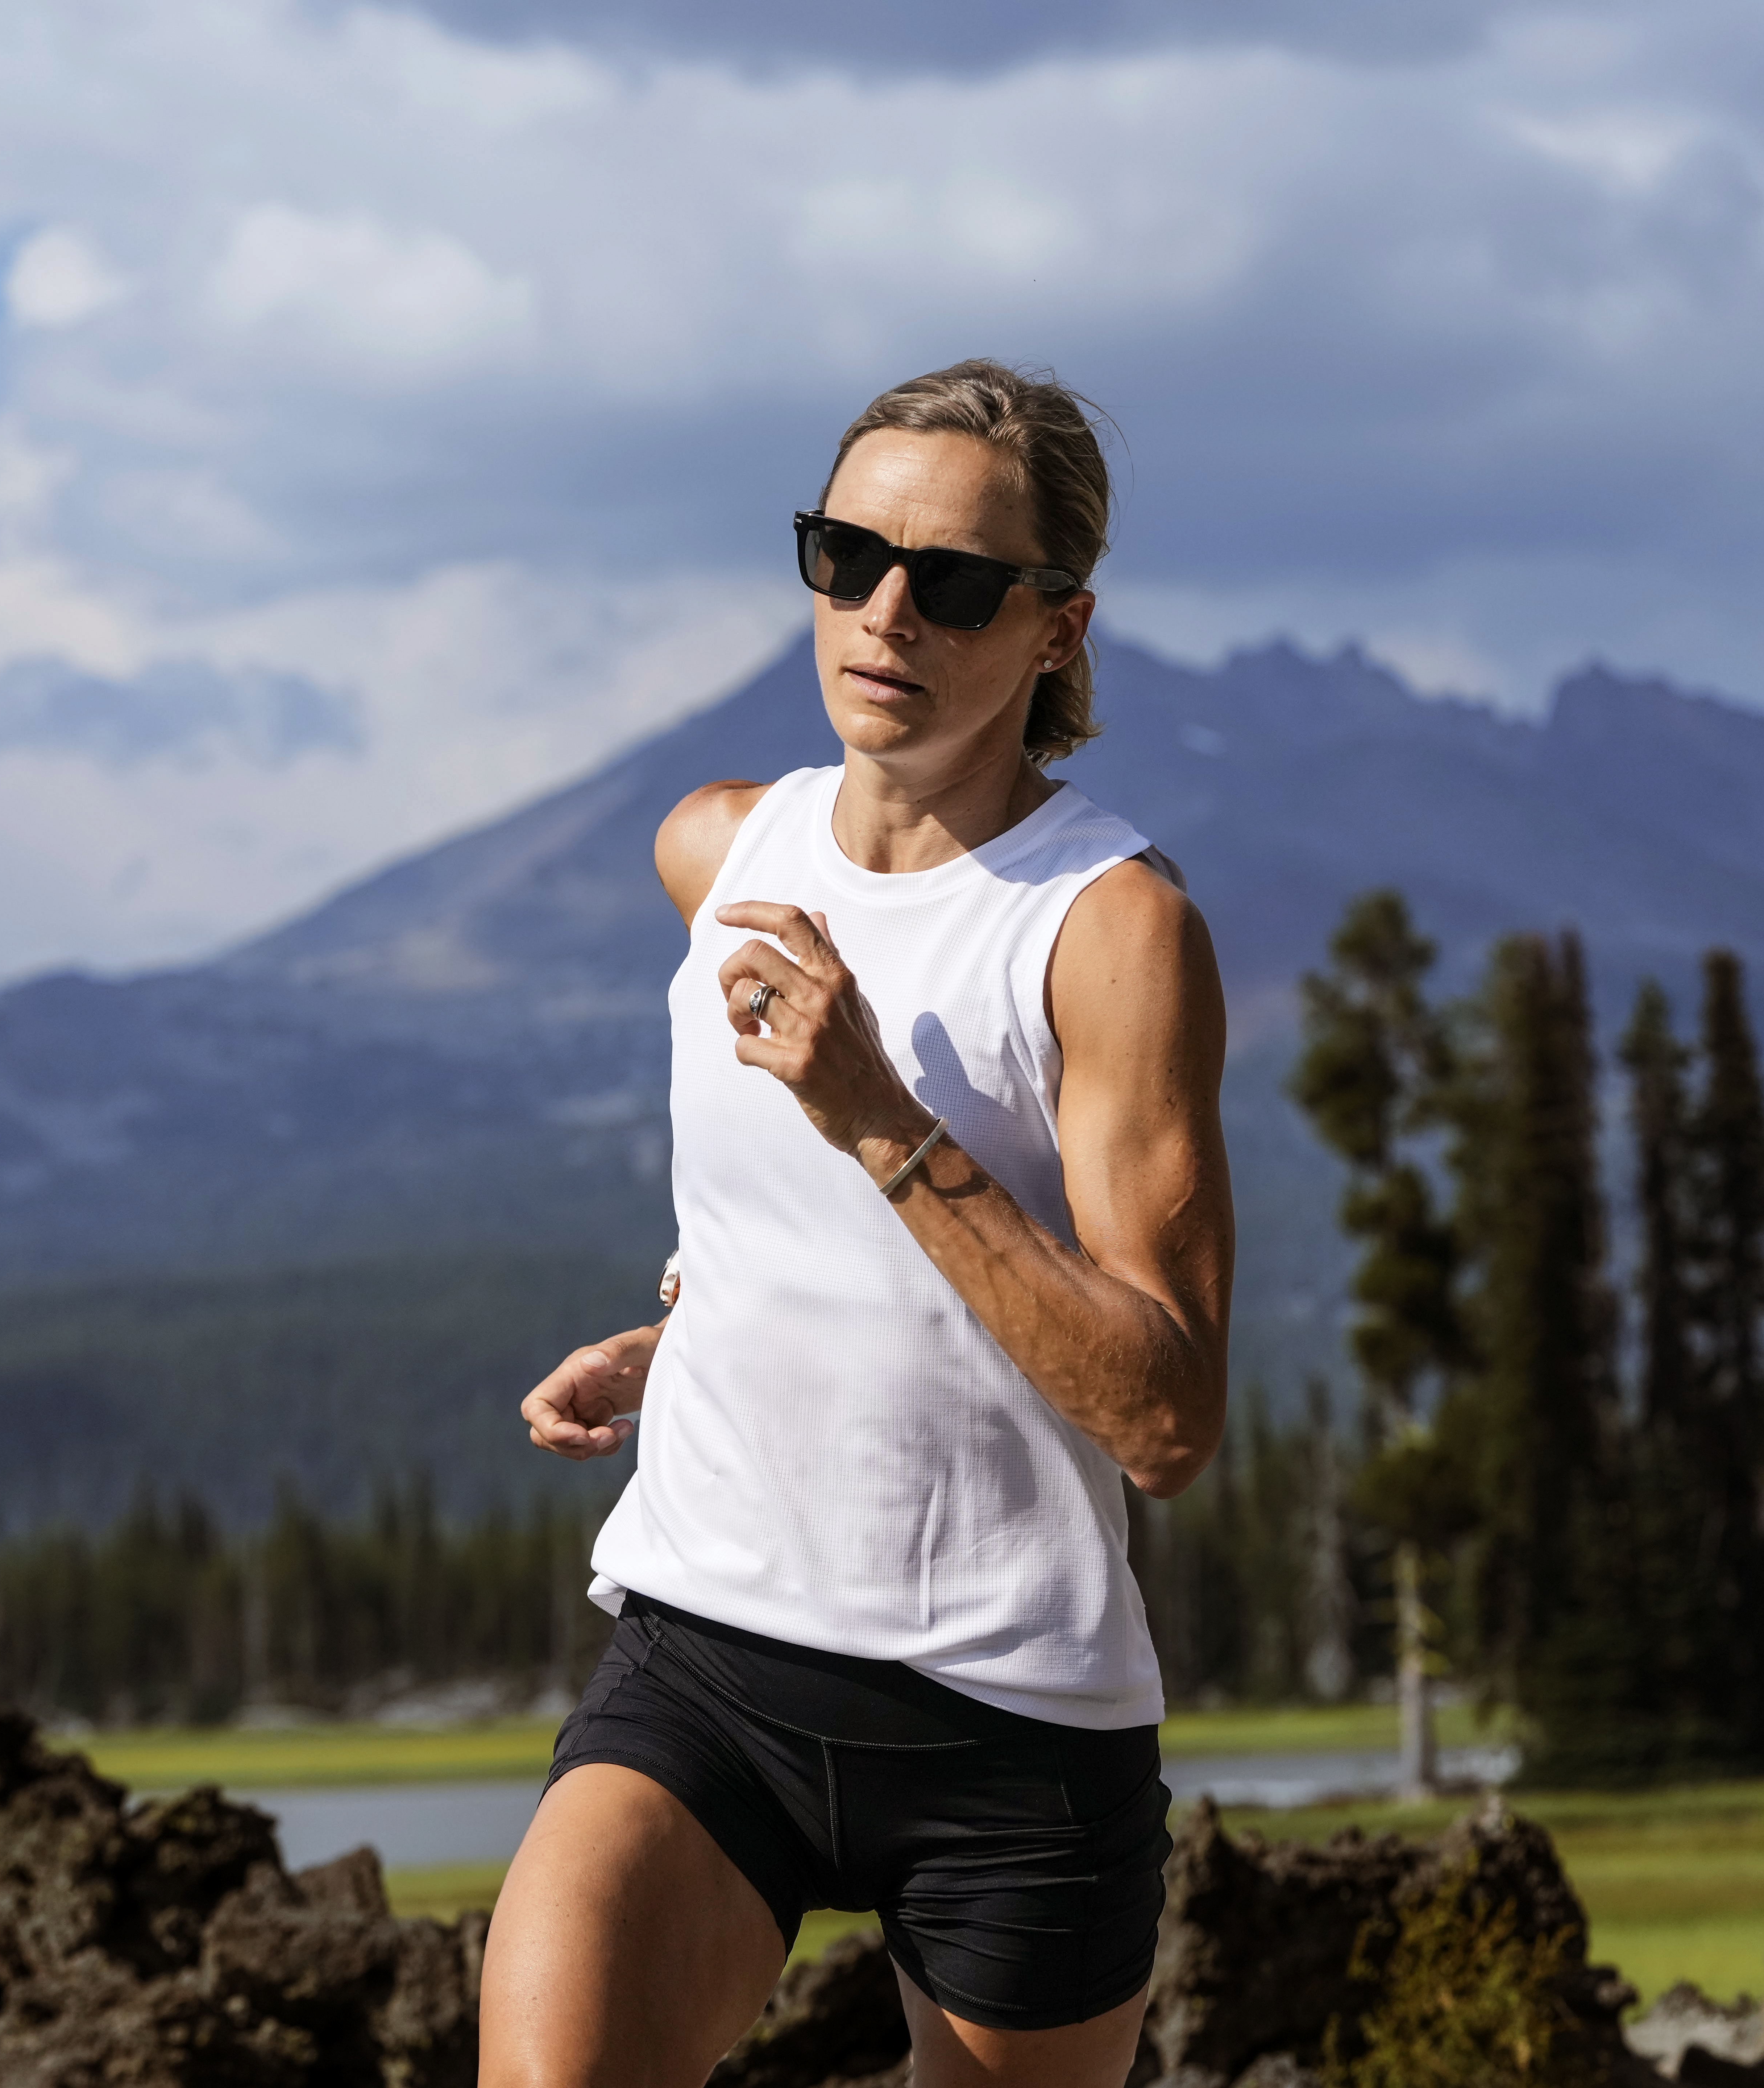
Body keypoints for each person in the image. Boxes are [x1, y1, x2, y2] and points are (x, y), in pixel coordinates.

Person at [481, 361, 1233, 2088]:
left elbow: (1165, 1417)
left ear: (1056, 629)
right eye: (846, 556)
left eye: (956, 583)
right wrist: (683, 1341)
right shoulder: (715, 853)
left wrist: (881, 1118)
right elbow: (810, 1247)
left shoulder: (1108, 930)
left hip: (1014, 1735)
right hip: (708, 1671)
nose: (886, 615)